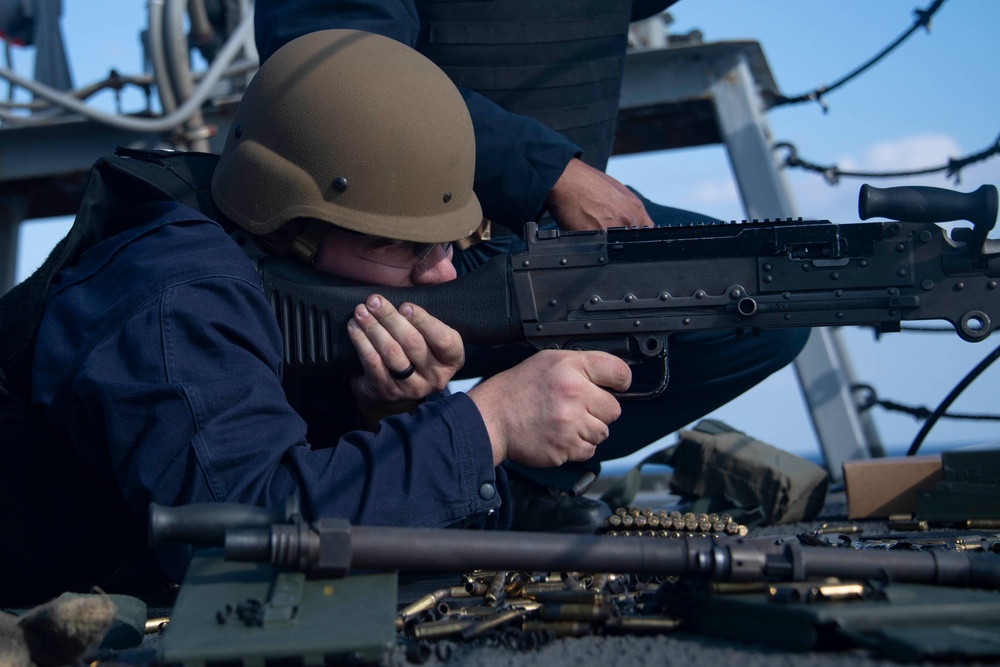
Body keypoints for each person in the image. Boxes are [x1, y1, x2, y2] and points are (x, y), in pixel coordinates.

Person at [3, 29, 631, 603]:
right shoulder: (178, 295)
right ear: (291, 227)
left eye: (448, 242)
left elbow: (448, 553)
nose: (441, 273)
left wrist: (389, 418)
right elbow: (235, 543)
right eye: (401, 245)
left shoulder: (297, 284)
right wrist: (489, 421)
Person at [253, 0, 811, 529]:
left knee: (766, 300)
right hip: (388, 237)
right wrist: (548, 171)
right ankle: (455, 471)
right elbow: (333, 69)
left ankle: (510, 483)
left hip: (518, 233)